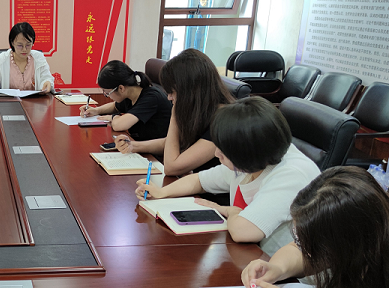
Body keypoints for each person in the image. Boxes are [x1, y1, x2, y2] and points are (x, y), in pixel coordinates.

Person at [136, 97, 320, 255]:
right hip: (250, 256)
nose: (217, 154)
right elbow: (199, 181)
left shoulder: (292, 174)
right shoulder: (253, 160)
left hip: (285, 273)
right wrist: (162, 192)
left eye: (223, 150)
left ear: (247, 152)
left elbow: (243, 231)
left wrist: (231, 211)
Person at [242, 166, 389, 288]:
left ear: (349, 244)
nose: (305, 250)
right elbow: (300, 250)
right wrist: (277, 268)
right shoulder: (367, 234)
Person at [114, 48, 234, 176]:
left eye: (172, 92)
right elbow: (171, 143)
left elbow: (171, 167)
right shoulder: (201, 110)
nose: (169, 97)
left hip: (210, 188)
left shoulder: (224, 121)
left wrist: (175, 116)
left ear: (189, 91)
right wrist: (133, 146)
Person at [79, 60, 171, 141]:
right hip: (136, 144)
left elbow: (119, 125)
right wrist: (96, 110)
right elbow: (115, 106)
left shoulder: (151, 98)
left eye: (107, 93)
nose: (107, 96)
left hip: (154, 152)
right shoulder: (130, 94)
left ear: (121, 88)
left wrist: (113, 118)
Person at [0, 22, 55, 94]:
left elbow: (47, 78)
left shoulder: (39, 58)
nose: (24, 49)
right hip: (10, 102)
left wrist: (47, 83)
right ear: (12, 43)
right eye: (20, 45)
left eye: (28, 45)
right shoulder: (1, 60)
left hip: (35, 102)